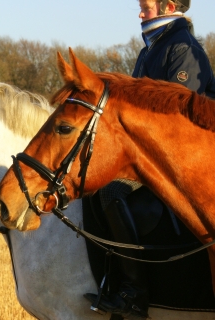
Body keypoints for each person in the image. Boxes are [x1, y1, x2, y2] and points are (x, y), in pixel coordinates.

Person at [84, 1, 215, 319]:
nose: (141, 15)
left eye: (146, 8)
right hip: (145, 154)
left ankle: (135, 292)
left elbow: (176, 117)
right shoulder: (150, 50)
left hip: (176, 159)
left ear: (169, 6)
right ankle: (110, 281)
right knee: (92, 191)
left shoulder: (182, 48)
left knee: (112, 192)